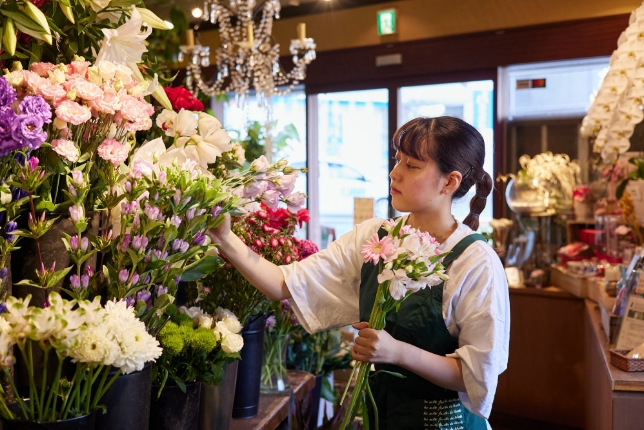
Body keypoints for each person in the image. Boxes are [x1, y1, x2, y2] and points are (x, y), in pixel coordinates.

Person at [208, 116, 510, 429]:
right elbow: (283, 283)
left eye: (413, 165)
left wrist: (397, 352)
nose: (395, 173)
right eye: (397, 160)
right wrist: (225, 239)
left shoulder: (476, 262)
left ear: (450, 182)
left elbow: (475, 375)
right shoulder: (374, 238)